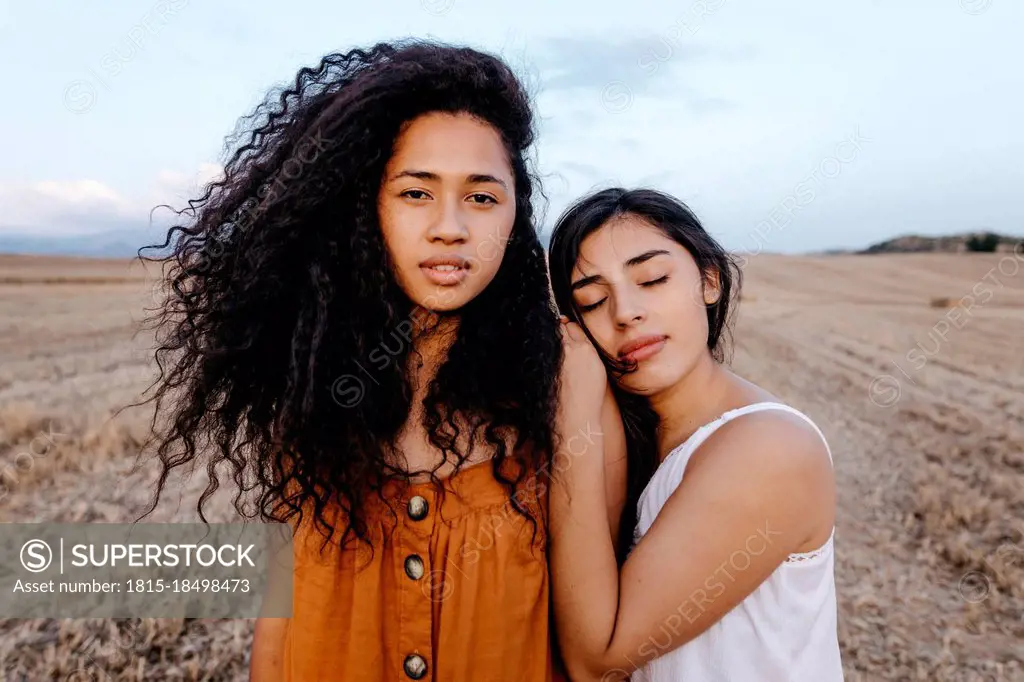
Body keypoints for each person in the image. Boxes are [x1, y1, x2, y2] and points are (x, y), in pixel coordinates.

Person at [136, 41, 625, 681]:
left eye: (482, 198)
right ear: (366, 209)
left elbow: (589, 655)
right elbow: (282, 619)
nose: (450, 227)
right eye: (416, 193)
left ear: (516, 213)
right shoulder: (314, 373)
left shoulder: (563, 373)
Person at [546, 187, 843, 681]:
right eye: (594, 301)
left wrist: (572, 418)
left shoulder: (769, 449)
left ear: (708, 280)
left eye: (652, 278)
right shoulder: (632, 440)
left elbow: (596, 659)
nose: (625, 312)